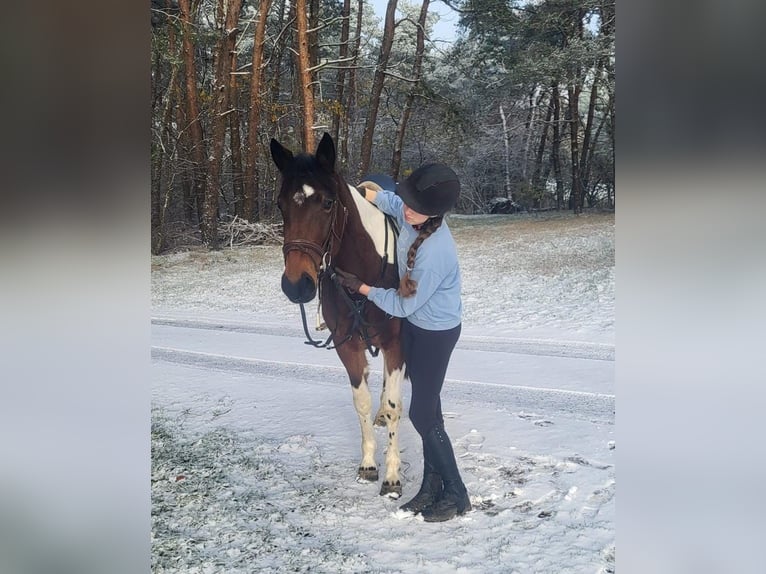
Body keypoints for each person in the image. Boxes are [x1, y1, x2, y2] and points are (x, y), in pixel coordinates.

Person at [333, 163, 471, 522]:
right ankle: (430, 486)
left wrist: (361, 288)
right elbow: (392, 203)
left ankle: (457, 493)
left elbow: (399, 304)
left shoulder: (435, 251)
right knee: (431, 411)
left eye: (415, 207)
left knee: (424, 414)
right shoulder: (415, 217)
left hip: (435, 334)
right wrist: (357, 193)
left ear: (435, 213)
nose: (407, 209)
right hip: (416, 325)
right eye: (408, 202)